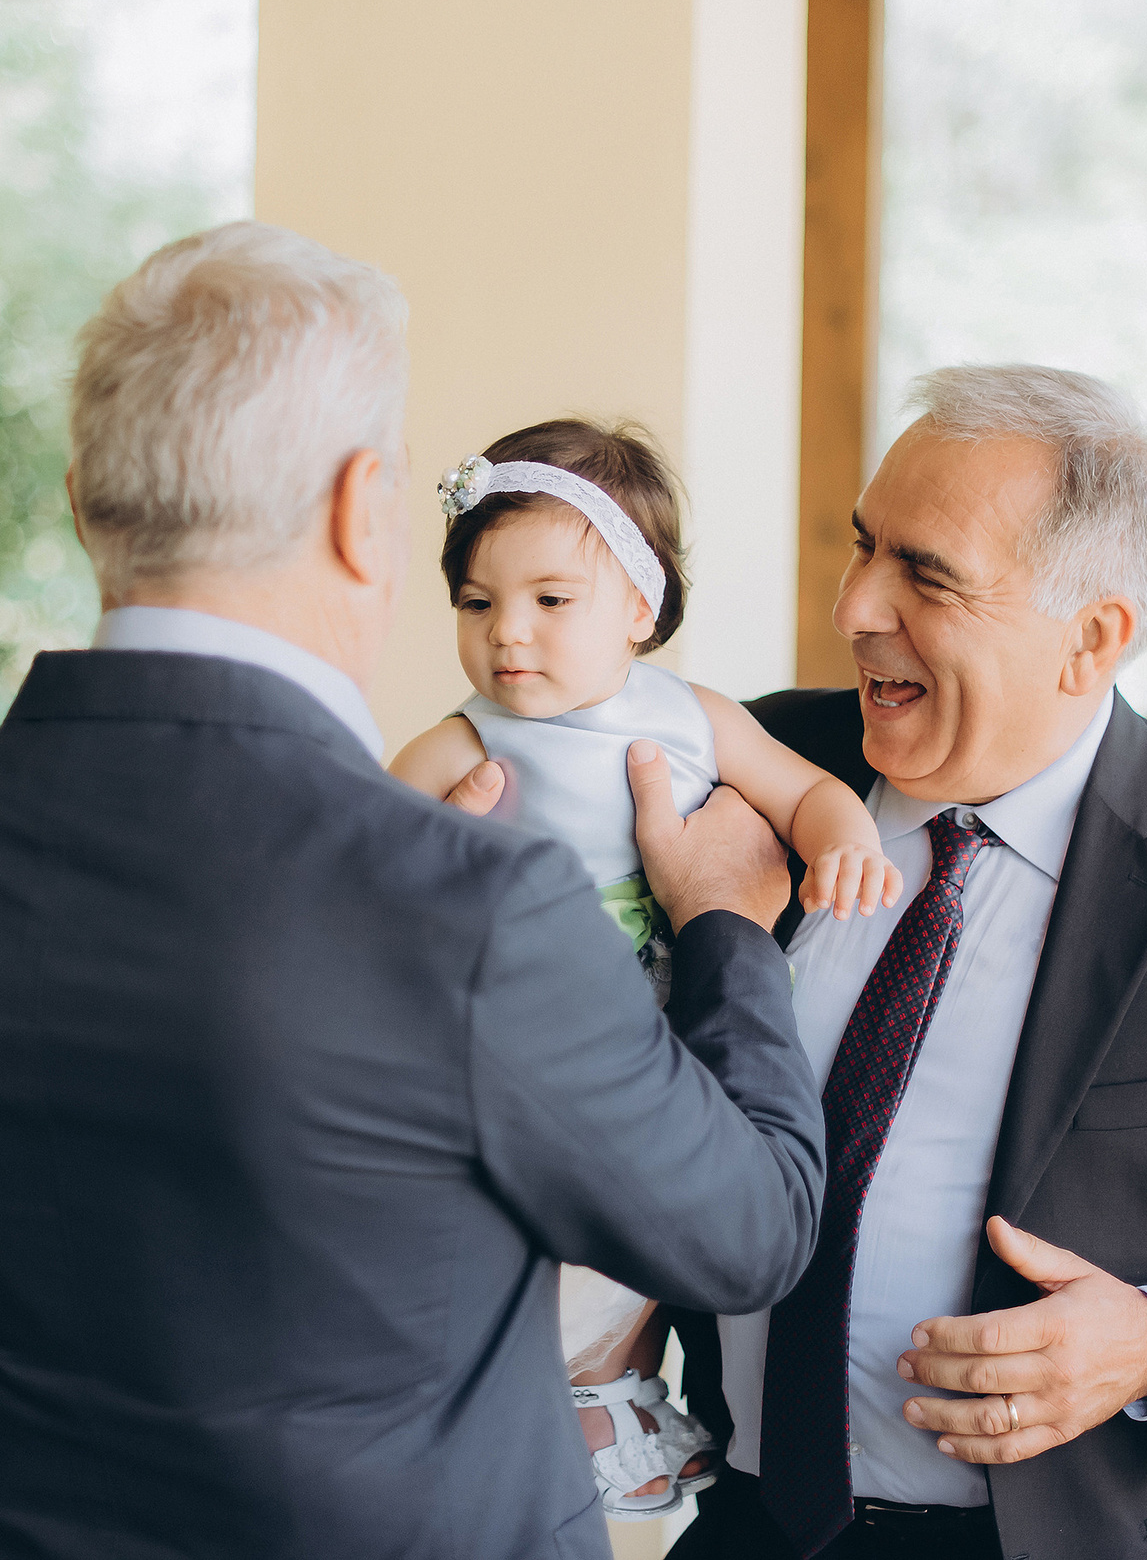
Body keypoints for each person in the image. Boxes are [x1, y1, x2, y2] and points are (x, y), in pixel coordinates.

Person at [0, 222, 825, 1560]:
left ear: (81, 498)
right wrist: (729, 927)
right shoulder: (463, 901)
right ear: (363, 508)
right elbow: (747, 1230)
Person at [645, 365, 1147, 1560]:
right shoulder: (749, 769)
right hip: (749, 1525)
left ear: (1091, 637)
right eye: (863, 545)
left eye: (926, 573)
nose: (857, 606)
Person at [392, 418, 900, 1521]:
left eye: (548, 600)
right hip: (531, 1049)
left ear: (639, 602)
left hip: (675, 1036)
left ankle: (621, 1402)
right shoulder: (464, 740)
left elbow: (804, 791)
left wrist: (844, 838)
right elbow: (363, 853)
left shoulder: (693, 719)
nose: (506, 634)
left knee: (660, 1239)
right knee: (541, 1237)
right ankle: (561, 1406)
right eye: (476, 604)